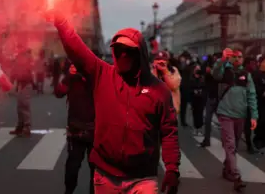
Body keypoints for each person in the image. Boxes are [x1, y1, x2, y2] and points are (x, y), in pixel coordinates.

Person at [47, 11, 180, 194]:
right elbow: (77, 49)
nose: (123, 55)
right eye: (118, 50)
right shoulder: (103, 75)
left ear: (140, 54)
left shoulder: (158, 90)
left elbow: (169, 132)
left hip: (143, 177)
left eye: (129, 51)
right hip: (106, 174)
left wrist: (172, 169)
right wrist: (61, 22)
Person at [212, 48, 258, 191]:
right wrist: (223, 59)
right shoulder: (224, 71)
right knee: (230, 145)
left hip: (240, 115)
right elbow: (215, 74)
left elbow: (252, 95)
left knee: (234, 145)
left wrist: (254, 116)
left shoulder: (246, 75)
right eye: (234, 57)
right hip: (225, 113)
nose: (237, 59)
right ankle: (236, 176)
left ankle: (227, 170)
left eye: (239, 57)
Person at [55, 63, 95, 194]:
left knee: (95, 171)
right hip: (77, 129)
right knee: (73, 167)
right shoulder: (72, 77)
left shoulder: (96, 76)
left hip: (93, 130)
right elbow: (59, 92)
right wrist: (69, 76)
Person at [10, 46, 34, 137]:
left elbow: (25, 72)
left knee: (24, 106)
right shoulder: (20, 59)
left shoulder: (26, 59)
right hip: (22, 84)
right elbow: (15, 71)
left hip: (25, 84)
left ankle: (26, 127)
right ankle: (20, 126)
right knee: (20, 107)